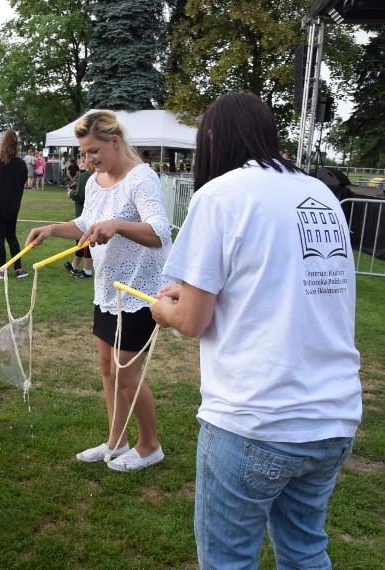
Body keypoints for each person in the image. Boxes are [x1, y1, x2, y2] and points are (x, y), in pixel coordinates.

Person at [149, 92, 361, 568]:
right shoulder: (319, 194)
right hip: (332, 416)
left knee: (228, 561)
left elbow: (193, 320)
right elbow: (278, 284)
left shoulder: (220, 195)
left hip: (255, 418)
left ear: (210, 140)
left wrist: (164, 310)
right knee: (306, 551)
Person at [25, 110, 171, 471]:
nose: (87, 160)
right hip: (107, 290)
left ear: (114, 142)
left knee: (127, 373)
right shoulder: (94, 182)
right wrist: (51, 229)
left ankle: (150, 445)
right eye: (84, 153)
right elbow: (87, 224)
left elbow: (159, 233)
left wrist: (119, 225)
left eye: (93, 151)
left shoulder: (142, 178)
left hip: (138, 291)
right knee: (108, 368)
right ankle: (116, 441)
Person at [0, 129, 29, 279]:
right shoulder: (20, 164)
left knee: (0, 237)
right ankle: (18, 269)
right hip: (12, 206)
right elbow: (22, 182)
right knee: (11, 237)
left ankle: (2, 270)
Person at [65, 155, 94, 278]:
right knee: (80, 241)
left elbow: (81, 196)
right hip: (89, 213)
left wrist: (72, 193)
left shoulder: (85, 176)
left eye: (82, 160)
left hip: (84, 213)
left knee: (85, 240)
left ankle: (87, 270)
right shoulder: (92, 176)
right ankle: (75, 265)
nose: (80, 163)